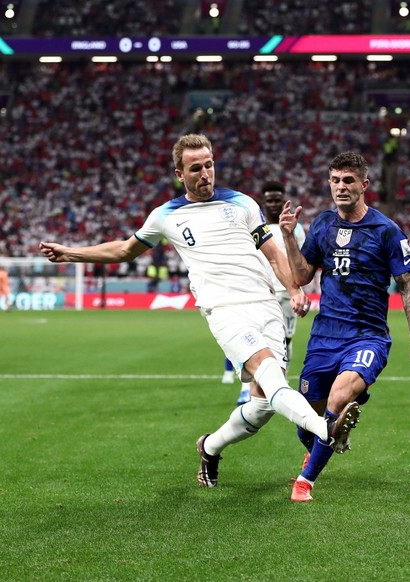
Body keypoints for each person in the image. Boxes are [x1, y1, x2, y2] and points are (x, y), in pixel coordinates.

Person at [39, 133, 360, 491]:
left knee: (262, 406)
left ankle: (209, 447)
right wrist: (70, 253)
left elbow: (273, 253)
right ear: (180, 174)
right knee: (272, 377)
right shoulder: (166, 216)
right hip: (224, 311)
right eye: (196, 168)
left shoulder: (242, 204)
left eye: (209, 165)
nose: (205, 173)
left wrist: (293, 288)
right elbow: (125, 250)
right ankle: (326, 428)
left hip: (266, 305)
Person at [280, 151, 410, 503]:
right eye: (335, 180)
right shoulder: (321, 226)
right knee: (307, 418)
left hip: (368, 336)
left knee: (338, 398)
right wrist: (288, 237)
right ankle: (332, 437)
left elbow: (408, 286)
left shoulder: (386, 231)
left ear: (364, 185)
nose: (341, 187)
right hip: (325, 335)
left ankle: (305, 481)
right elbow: (302, 276)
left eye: (349, 180)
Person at [231, 180, 307, 406]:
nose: (273, 205)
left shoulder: (297, 229)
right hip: (258, 293)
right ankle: (246, 388)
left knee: (285, 339)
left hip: (286, 293)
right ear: (263, 202)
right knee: (251, 339)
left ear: (284, 200)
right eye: (269, 200)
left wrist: (298, 289)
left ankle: (281, 380)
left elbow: (298, 263)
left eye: (277, 200)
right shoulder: (254, 227)